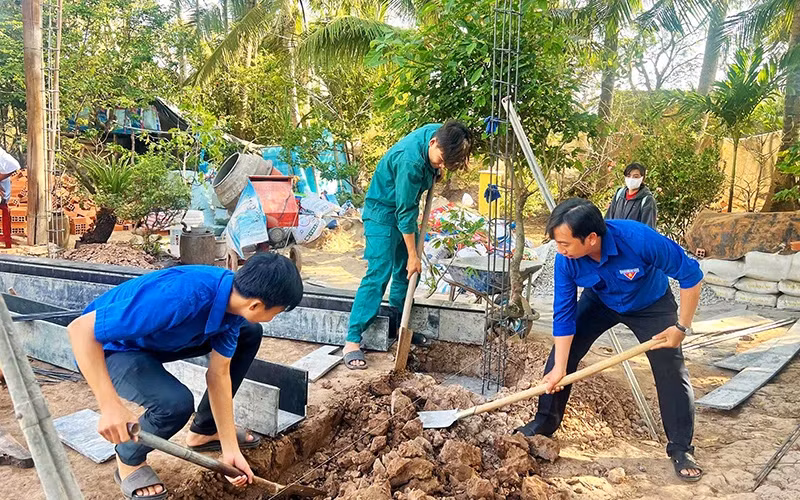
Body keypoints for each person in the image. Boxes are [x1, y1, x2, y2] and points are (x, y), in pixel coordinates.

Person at [67, 253, 303, 499]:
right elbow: (80, 330)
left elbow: (219, 374)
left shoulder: (234, 304)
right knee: (174, 404)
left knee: (250, 331)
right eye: (276, 312)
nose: (274, 318)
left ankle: (204, 431)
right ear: (255, 305)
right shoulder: (179, 297)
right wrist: (109, 406)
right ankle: (128, 458)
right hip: (109, 348)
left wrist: (229, 446)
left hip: (154, 341)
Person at [515, 198, 704, 482]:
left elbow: (691, 275)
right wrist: (560, 367)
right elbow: (564, 313)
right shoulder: (565, 260)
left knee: (671, 371)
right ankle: (545, 423)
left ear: (591, 238)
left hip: (650, 304)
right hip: (601, 300)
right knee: (560, 358)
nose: (559, 250)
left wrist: (681, 327)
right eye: (557, 243)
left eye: (565, 243)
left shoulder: (639, 239)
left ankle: (681, 448)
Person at [344, 121, 473, 369]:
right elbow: (404, 212)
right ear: (433, 143)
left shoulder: (441, 135)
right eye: (441, 160)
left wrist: (438, 167)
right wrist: (414, 255)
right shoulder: (411, 162)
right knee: (379, 273)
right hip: (382, 213)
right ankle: (352, 340)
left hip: (405, 212)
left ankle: (398, 325)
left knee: (405, 273)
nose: (442, 166)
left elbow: (408, 210)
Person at [606, 162, 657, 229]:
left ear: (642, 178)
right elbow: (608, 220)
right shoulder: (619, 194)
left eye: (636, 177)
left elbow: (648, 230)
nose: (631, 179)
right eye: (628, 176)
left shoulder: (647, 200)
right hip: (615, 238)